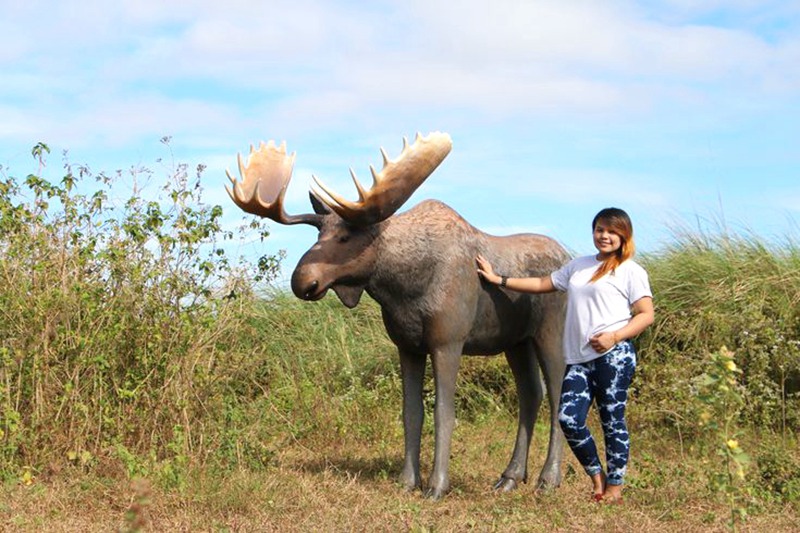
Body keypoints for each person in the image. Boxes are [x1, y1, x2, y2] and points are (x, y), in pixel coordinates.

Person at [476, 207, 654, 504]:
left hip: (614, 357)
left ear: (624, 236)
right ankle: (597, 476)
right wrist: (500, 280)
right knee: (568, 418)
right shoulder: (579, 266)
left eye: (611, 231)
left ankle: (614, 488)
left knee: (612, 421)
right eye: (599, 230)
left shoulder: (631, 271)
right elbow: (543, 284)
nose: (604, 236)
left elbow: (646, 314)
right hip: (579, 359)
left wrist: (614, 336)